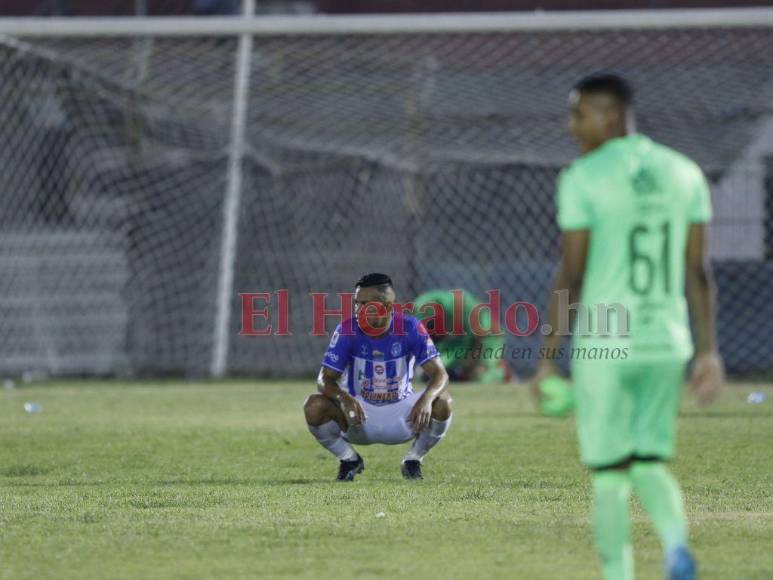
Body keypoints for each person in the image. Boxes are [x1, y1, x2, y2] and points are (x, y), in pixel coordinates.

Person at [532, 74, 725, 580]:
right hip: (666, 341)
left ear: (610, 115)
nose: (571, 126)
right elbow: (698, 271)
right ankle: (675, 546)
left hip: (607, 342)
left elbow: (572, 274)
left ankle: (619, 575)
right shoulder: (684, 172)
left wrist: (547, 358)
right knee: (648, 461)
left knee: (609, 475)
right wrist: (708, 351)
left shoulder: (583, 177)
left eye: (579, 114)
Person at [304, 273, 452, 481]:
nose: (358, 310)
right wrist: (344, 399)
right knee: (313, 406)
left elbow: (440, 374)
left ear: (387, 306)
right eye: (357, 303)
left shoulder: (410, 327)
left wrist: (426, 400)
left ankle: (413, 460)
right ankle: (349, 459)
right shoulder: (347, 330)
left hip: (403, 416)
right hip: (357, 416)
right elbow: (324, 379)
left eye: (366, 304)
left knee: (443, 401)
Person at [413, 289, 510, 383]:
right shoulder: (422, 307)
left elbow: (481, 336)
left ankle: (501, 373)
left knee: (484, 376)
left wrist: (479, 362)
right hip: (461, 341)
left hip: (482, 338)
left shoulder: (459, 306)